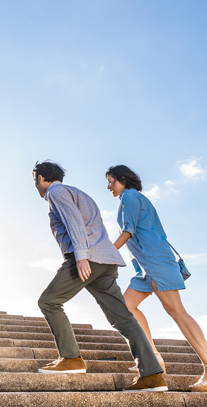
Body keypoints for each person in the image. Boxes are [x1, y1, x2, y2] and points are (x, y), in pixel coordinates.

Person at [32, 161, 166, 391]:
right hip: (106, 260)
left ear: (41, 178)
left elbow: (74, 222)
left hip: (87, 258)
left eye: (35, 180)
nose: (35, 185)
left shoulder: (56, 192)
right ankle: (152, 375)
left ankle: (71, 358)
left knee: (49, 302)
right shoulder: (79, 193)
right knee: (123, 318)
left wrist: (81, 256)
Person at [106, 165, 207, 392]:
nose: (109, 186)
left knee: (176, 311)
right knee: (126, 307)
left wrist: (106, 253)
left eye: (111, 181)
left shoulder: (130, 196)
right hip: (145, 267)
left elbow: (128, 230)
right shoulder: (130, 199)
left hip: (156, 261)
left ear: (122, 179)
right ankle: (152, 357)